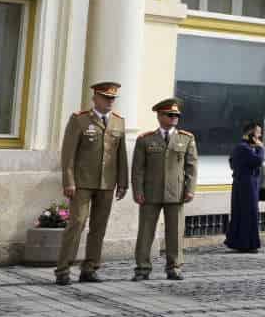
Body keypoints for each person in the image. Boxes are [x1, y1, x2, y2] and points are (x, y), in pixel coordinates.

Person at [55, 81, 129, 286]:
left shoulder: (118, 122)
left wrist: (123, 183)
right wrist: (68, 181)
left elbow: (121, 155)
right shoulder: (80, 120)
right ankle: (63, 269)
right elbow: (68, 154)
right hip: (82, 183)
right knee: (77, 223)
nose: (109, 101)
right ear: (95, 98)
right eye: (106, 97)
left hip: (107, 183)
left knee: (99, 227)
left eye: (112, 98)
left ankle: (90, 268)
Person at [129, 98, 197, 282]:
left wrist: (190, 189)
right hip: (150, 193)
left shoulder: (186, 138)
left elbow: (191, 166)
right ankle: (142, 268)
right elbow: (138, 169)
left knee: (174, 232)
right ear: (159, 116)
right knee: (145, 232)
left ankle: (174, 267)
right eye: (170, 115)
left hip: (176, 192)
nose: (174, 118)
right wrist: (137, 191)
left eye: (176, 115)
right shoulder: (145, 139)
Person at [227, 121, 265, 254]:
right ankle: (247, 244)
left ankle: (242, 242)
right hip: (247, 185)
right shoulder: (243, 148)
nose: (260, 136)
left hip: (244, 183)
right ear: (251, 134)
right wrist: (261, 148)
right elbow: (258, 161)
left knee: (243, 213)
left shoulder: (241, 147)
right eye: (258, 133)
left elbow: (232, 163)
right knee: (249, 213)